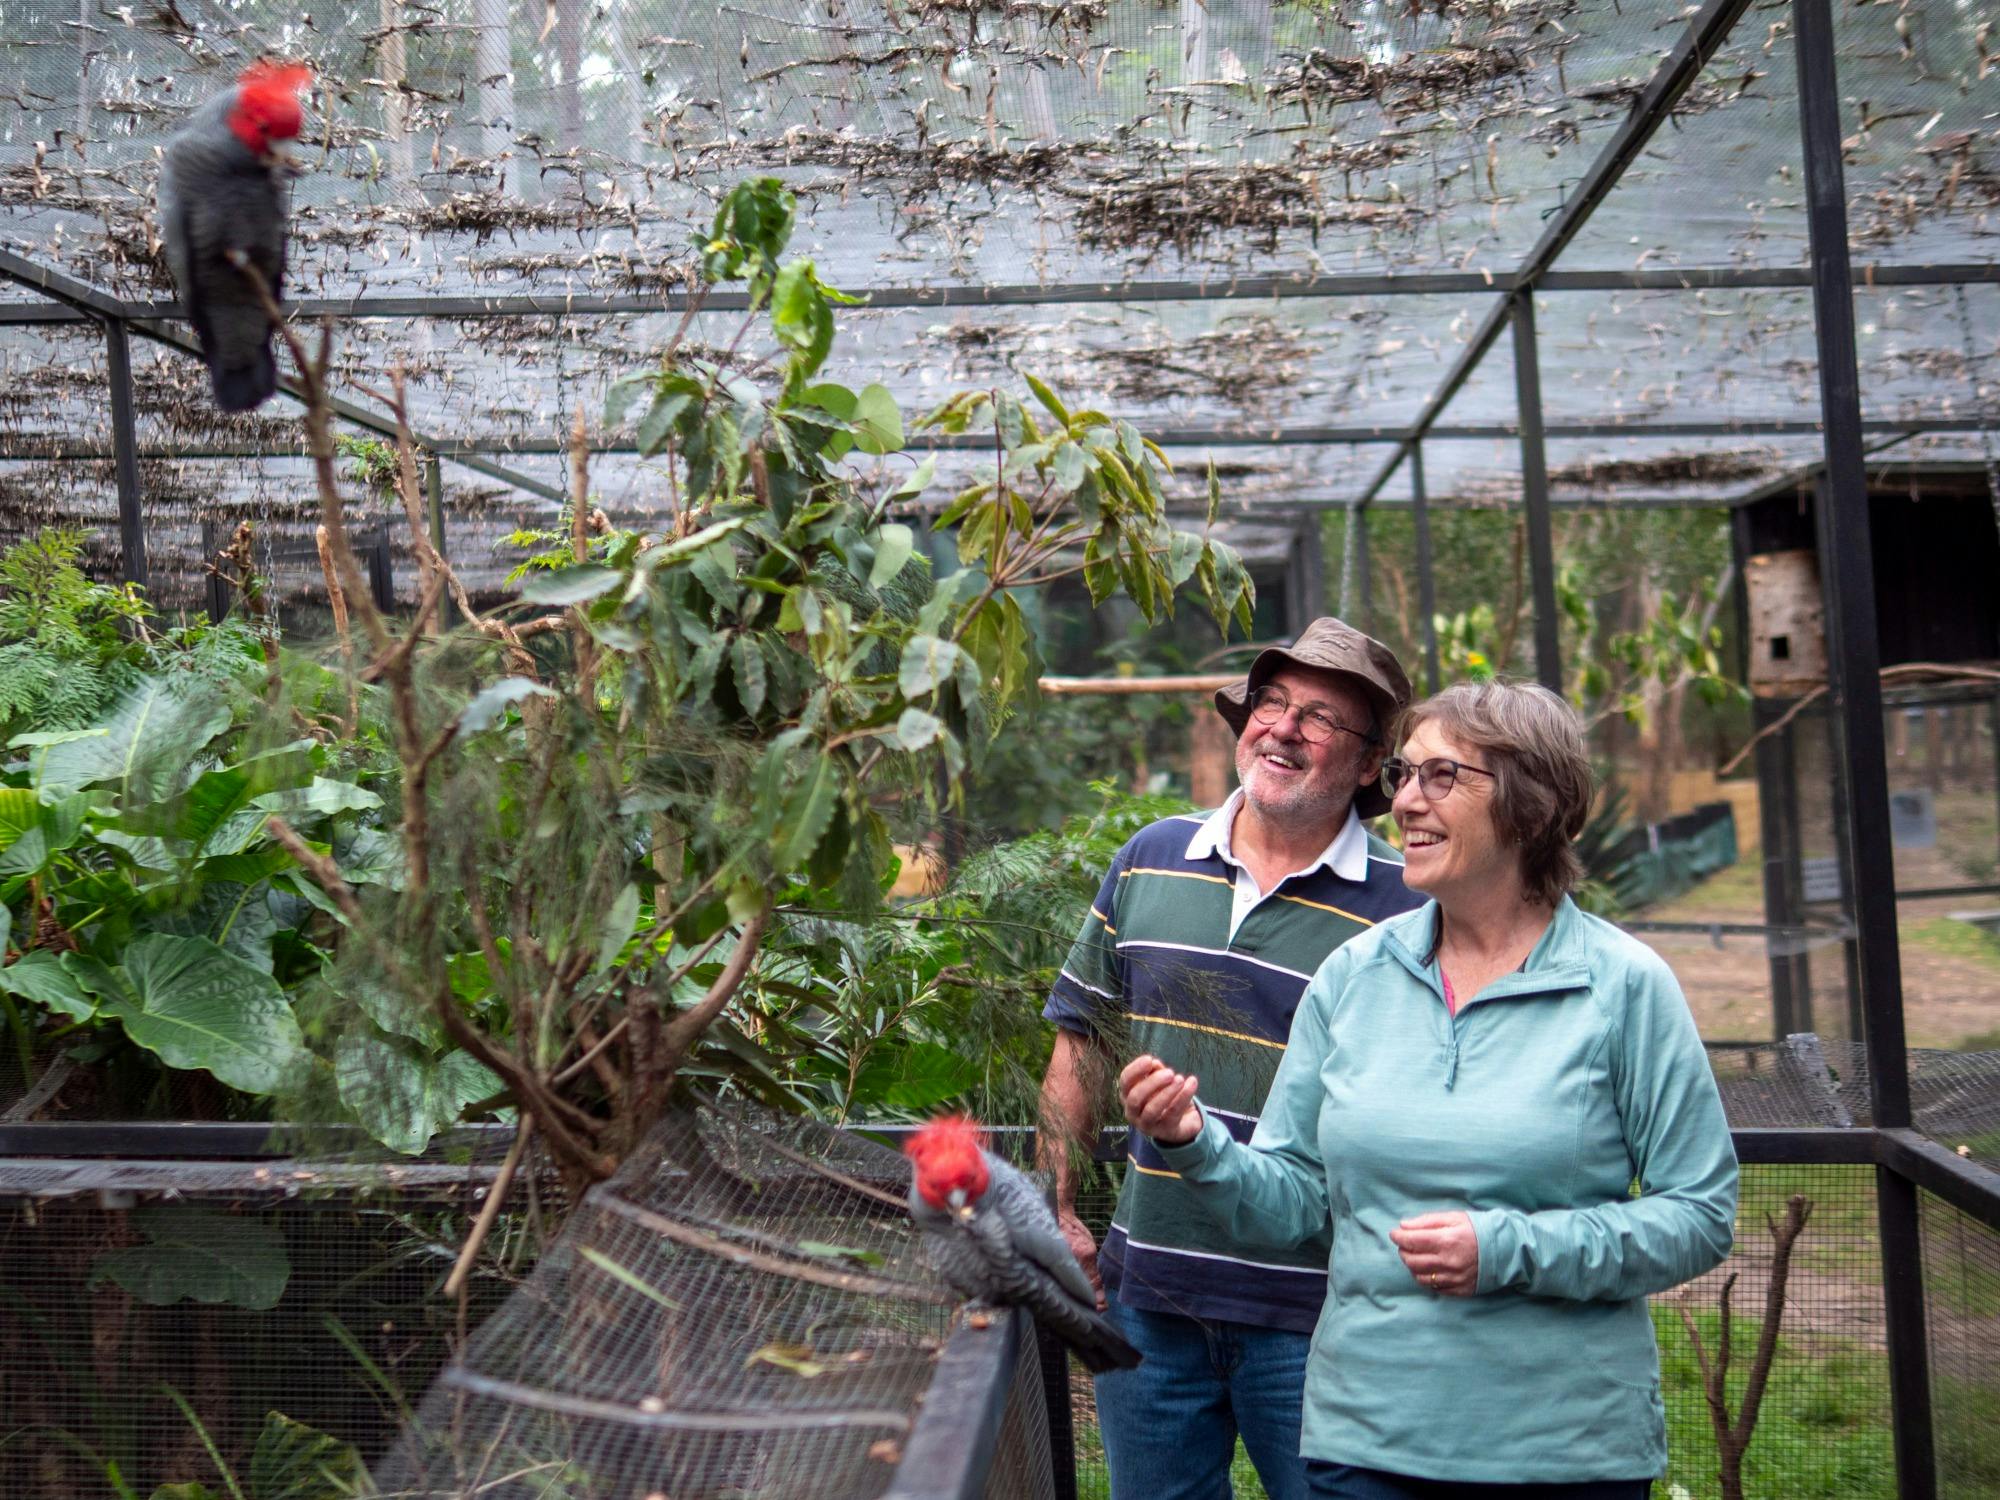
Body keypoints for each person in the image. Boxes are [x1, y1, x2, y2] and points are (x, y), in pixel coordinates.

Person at [1120, 680, 1738, 1500]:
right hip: (1367, 1445)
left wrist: (1508, 1251)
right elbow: (1297, 1202)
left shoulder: (1623, 986)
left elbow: (1698, 1214)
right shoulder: (1353, 977)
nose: (1404, 800)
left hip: (1563, 1452)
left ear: (1531, 804)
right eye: (1404, 774)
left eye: (1440, 777)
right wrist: (1195, 1144)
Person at [1038, 617, 1425, 1500]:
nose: (1284, 727)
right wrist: (1058, 1207)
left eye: (1321, 716)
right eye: (1272, 702)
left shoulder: (1408, 906)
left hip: (1321, 1315)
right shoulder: (1151, 859)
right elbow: (1081, 1040)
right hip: (1151, 1299)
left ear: (1370, 765)